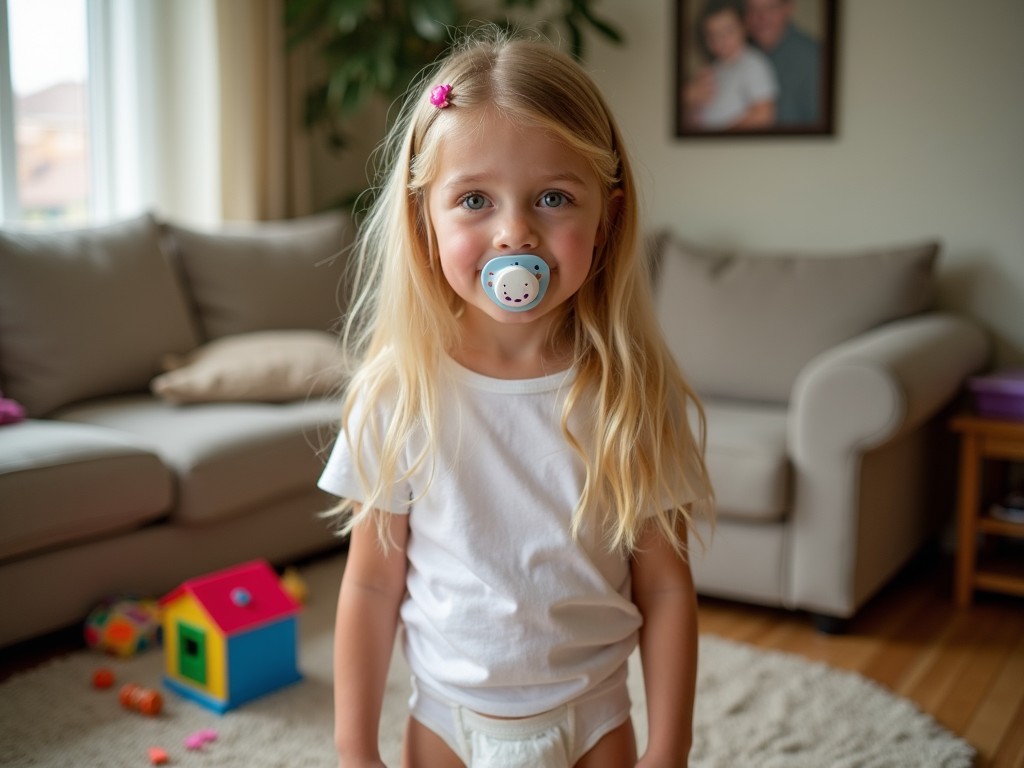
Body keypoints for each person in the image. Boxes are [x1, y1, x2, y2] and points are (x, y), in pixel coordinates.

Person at [318, 27, 714, 768]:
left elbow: (665, 588)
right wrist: (354, 750)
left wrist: (671, 748)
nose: (515, 233)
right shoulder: (399, 395)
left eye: (553, 198)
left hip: (593, 717)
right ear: (423, 222)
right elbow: (372, 584)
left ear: (608, 218)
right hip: (447, 722)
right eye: (473, 198)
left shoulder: (630, 396)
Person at [685, 0, 777, 130]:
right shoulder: (714, 68)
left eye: (728, 31)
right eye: (713, 35)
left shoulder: (753, 64)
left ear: (744, 27)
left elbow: (763, 115)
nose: (721, 40)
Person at [743, 0, 822, 125]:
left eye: (770, 8)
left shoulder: (815, 57)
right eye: (753, 9)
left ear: (789, 8)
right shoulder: (735, 55)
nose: (762, 18)